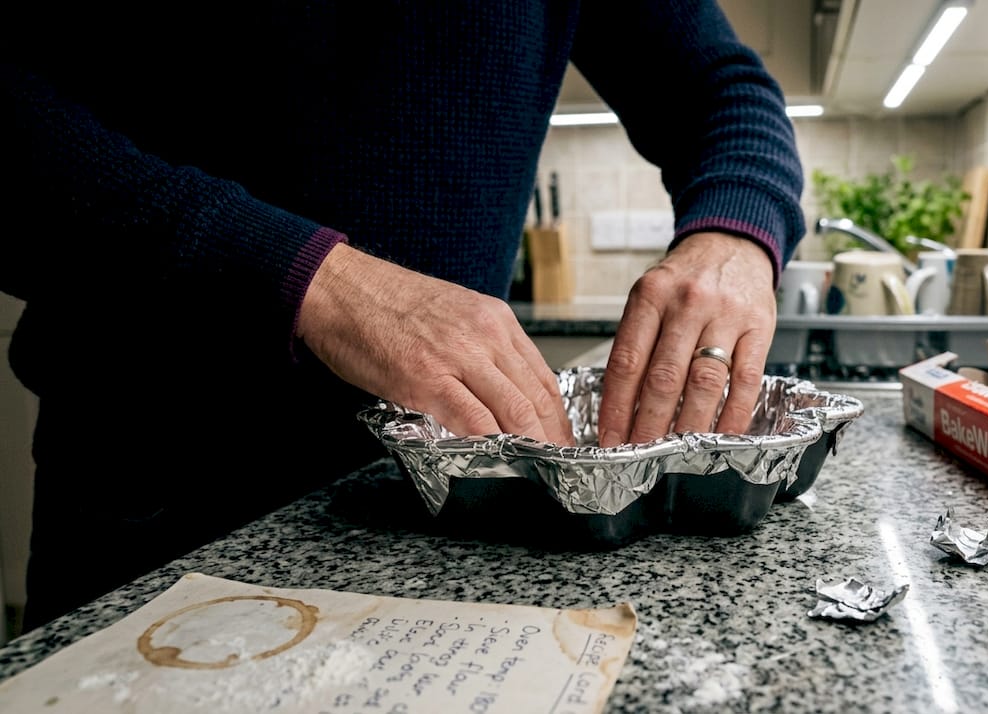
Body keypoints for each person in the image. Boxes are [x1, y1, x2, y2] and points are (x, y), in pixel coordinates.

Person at [0, 0, 805, 629]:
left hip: (461, 510)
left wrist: (734, 232)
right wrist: (307, 278)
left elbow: (719, 90)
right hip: (151, 492)